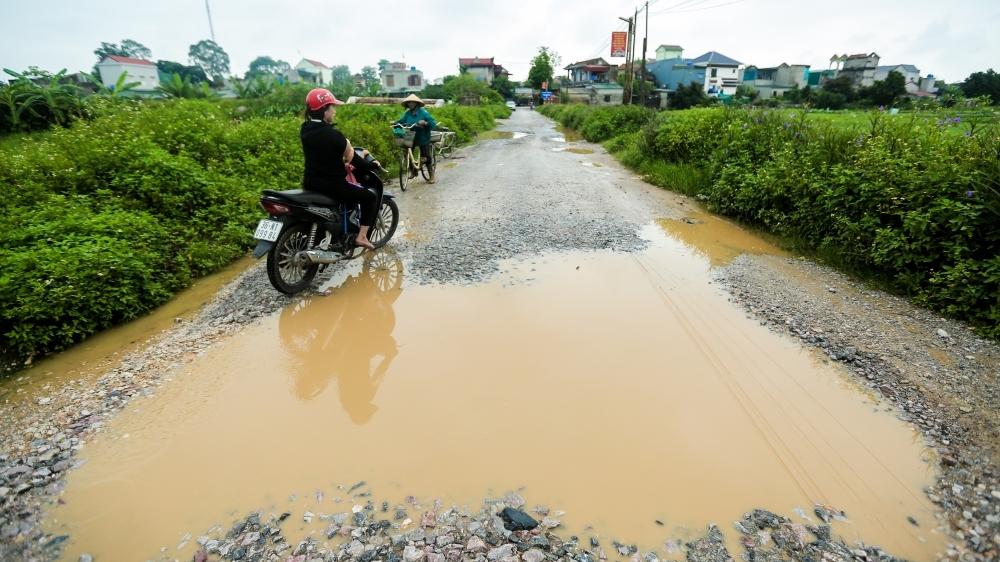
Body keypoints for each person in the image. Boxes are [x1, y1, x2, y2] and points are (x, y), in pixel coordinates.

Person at [301, 88, 377, 250]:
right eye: (332, 107)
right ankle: (362, 237)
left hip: (310, 184)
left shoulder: (305, 130)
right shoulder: (334, 136)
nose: (334, 111)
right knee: (370, 198)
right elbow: (355, 160)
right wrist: (371, 165)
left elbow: (323, 156)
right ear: (324, 110)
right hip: (333, 187)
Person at [391, 94, 437, 183]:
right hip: (411, 136)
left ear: (417, 103)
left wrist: (425, 123)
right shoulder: (407, 114)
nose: (410, 104)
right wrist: (395, 123)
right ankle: (413, 171)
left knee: (426, 156)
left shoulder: (424, 113)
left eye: (412, 102)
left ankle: (431, 175)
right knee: (409, 151)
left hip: (423, 136)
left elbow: (433, 124)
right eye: (409, 102)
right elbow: (401, 122)